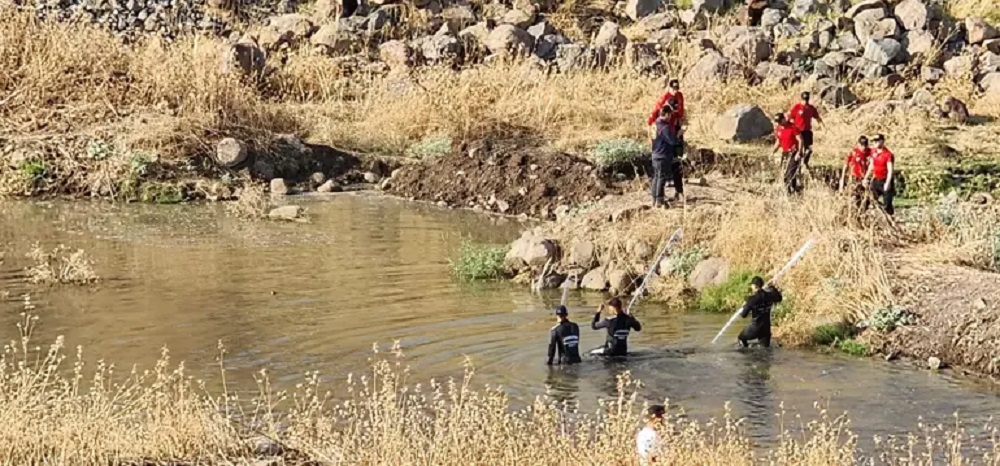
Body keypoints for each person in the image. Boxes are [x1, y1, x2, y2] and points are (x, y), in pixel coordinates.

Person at [650, 103, 681, 208]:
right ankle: (660, 200)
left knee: (656, 177)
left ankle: (654, 198)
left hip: (655, 154)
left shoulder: (655, 124)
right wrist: (679, 134)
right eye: (670, 115)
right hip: (663, 155)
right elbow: (672, 141)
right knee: (661, 178)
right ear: (667, 114)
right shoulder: (664, 127)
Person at [737, 276, 783, 348]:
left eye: (752, 285)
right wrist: (772, 287)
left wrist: (745, 306)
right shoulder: (769, 296)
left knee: (741, 338)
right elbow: (779, 298)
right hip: (766, 328)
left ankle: (746, 354)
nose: (751, 287)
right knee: (764, 350)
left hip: (754, 328)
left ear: (755, 286)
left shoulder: (752, 299)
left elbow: (743, 315)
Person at [787, 92, 823, 167]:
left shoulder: (811, 108)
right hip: (798, 131)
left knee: (809, 149)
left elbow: (817, 118)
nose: (805, 102)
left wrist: (823, 127)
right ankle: (796, 163)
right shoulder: (797, 107)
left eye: (807, 100)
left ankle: (805, 162)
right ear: (801, 99)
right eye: (804, 100)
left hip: (807, 131)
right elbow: (790, 117)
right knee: (797, 148)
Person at [770, 113, 803, 195]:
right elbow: (778, 142)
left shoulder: (793, 127)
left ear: (784, 119)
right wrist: (773, 152)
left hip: (794, 152)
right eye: (777, 122)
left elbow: (800, 140)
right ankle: (789, 191)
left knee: (791, 172)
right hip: (785, 153)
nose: (779, 124)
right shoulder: (779, 129)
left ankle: (793, 190)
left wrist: (799, 153)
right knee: (784, 173)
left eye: (780, 121)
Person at [864, 134, 896, 216]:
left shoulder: (888, 154)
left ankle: (890, 219)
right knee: (870, 199)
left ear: (882, 141)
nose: (874, 143)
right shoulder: (873, 152)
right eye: (874, 141)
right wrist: (865, 178)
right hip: (876, 179)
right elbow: (871, 165)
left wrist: (888, 183)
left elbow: (890, 170)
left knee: (887, 203)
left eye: (877, 141)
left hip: (885, 180)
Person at [839, 136, 872, 209]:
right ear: (858, 144)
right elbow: (846, 165)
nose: (863, 147)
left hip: (865, 178)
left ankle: (863, 211)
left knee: (866, 198)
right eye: (862, 145)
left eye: (865, 145)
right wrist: (842, 178)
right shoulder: (853, 152)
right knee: (854, 196)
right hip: (855, 177)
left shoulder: (870, 152)